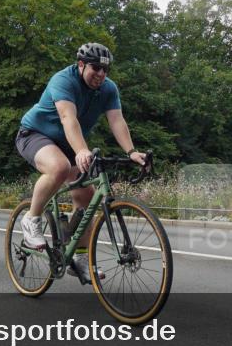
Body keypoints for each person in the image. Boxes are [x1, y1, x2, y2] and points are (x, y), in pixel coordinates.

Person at [15, 42, 146, 283]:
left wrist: (131, 151)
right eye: (96, 68)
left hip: (67, 142)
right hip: (34, 134)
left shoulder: (108, 89)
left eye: (106, 70)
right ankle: (31, 219)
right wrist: (82, 150)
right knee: (59, 166)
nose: (101, 74)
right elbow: (68, 118)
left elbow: (117, 121)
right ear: (81, 64)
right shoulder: (64, 80)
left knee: (88, 198)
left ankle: (81, 260)